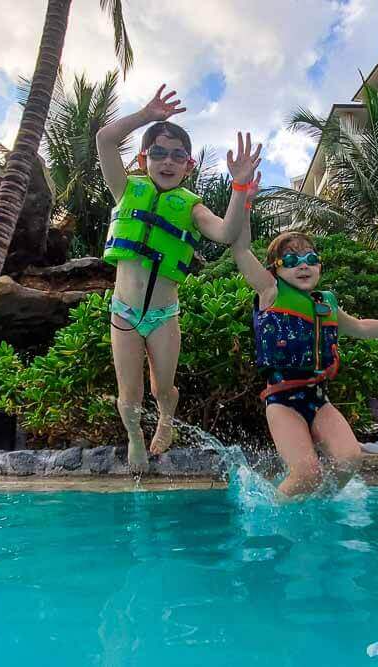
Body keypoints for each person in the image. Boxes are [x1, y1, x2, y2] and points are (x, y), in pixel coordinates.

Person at [96, 84, 261, 473]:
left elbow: (226, 233)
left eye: (177, 156)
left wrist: (240, 188)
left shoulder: (192, 207)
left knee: (162, 388)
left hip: (163, 316)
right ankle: (136, 438)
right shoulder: (125, 189)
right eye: (158, 153)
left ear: (189, 166)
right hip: (124, 312)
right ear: (143, 159)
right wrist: (147, 115)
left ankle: (166, 417)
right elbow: (104, 139)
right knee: (129, 397)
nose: (167, 162)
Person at [230, 214, 378, 498]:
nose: (302, 265)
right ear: (275, 270)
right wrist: (244, 198)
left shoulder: (324, 304)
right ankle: (275, 514)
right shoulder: (271, 293)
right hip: (282, 401)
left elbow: (360, 327)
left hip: (318, 398)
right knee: (305, 472)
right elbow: (240, 250)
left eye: (310, 259)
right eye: (290, 261)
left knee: (349, 460)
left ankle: (317, 505)